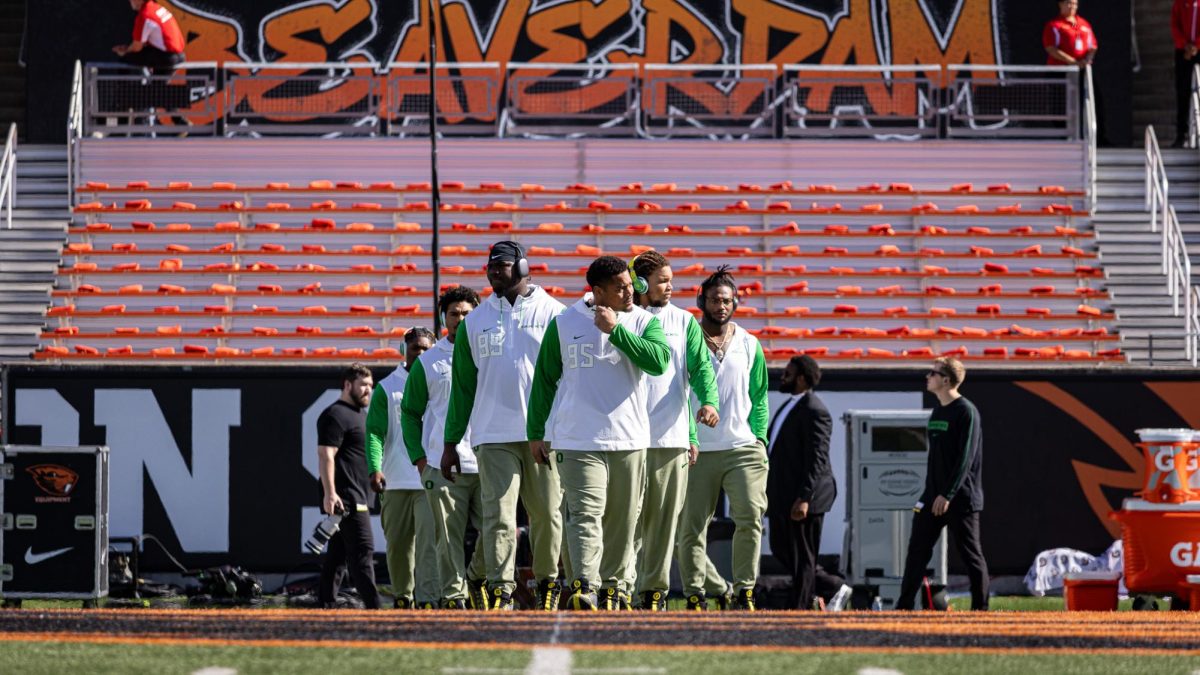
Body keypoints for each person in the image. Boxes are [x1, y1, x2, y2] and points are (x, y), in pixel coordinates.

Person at [527, 255, 671, 610]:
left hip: (630, 439)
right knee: (584, 514)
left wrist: (616, 331)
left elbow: (659, 363)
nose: (630, 291)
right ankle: (584, 586)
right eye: (620, 287)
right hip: (577, 440)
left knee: (623, 523)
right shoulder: (564, 322)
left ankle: (616, 588)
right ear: (598, 291)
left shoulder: (642, 321)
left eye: (630, 284)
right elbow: (544, 381)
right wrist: (535, 431)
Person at [444, 241, 566, 610]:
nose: (495, 270)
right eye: (491, 265)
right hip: (492, 434)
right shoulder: (475, 322)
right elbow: (462, 389)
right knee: (498, 516)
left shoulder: (554, 313)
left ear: (524, 267)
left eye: (504, 264)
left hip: (543, 434)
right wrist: (451, 443)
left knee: (547, 513)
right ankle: (501, 588)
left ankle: (547, 583)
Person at [623, 251, 720, 611]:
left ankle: (654, 593)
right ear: (640, 282)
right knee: (626, 522)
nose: (671, 286)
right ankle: (622, 588)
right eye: (663, 279)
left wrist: (708, 405)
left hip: (670, 439)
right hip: (624, 439)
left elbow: (701, 371)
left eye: (670, 279)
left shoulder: (684, 321)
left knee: (662, 526)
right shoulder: (619, 319)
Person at [677, 266, 769, 611]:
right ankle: (697, 593)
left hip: (743, 448)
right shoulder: (685, 338)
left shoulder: (749, 343)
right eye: (715, 299)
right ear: (702, 300)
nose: (721, 306)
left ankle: (745, 591)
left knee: (750, 519)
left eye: (727, 300)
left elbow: (759, 396)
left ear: (736, 304)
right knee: (690, 530)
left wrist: (760, 439)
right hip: (696, 449)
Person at [400, 287, 488, 610]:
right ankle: (454, 596)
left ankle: (477, 577)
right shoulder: (429, 361)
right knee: (447, 539)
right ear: (443, 318)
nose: (461, 319)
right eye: (454, 313)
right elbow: (409, 412)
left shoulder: (489, 352)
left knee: (497, 529)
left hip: (487, 459)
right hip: (442, 464)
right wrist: (420, 459)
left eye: (467, 313)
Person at [896, 357, 989, 611]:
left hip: (960, 498)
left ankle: (981, 610)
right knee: (916, 552)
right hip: (933, 496)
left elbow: (965, 459)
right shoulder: (938, 411)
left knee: (971, 556)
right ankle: (903, 608)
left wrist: (947, 494)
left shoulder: (966, 411)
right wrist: (931, 493)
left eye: (932, 373)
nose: (928, 377)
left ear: (946, 380)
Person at [365, 328, 437, 608]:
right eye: (415, 348)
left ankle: (428, 598)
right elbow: (374, 432)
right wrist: (375, 467)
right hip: (395, 479)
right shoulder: (387, 387)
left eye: (426, 349)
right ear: (403, 349)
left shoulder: (442, 379)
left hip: (429, 477)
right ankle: (403, 597)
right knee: (398, 545)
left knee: (429, 545)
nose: (420, 354)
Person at [765, 355, 836, 610]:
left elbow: (817, 460)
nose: (782, 376)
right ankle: (832, 587)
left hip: (805, 498)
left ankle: (802, 608)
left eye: (788, 373)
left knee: (803, 556)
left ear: (802, 378)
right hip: (784, 496)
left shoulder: (815, 410)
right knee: (782, 549)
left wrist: (805, 497)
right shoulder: (791, 404)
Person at [316, 363, 381, 609]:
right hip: (347, 498)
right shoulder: (335, 415)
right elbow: (325, 455)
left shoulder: (360, 415)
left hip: (357, 494)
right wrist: (330, 493)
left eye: (371, 386)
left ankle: (326, 603)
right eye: (363, 385)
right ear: (347, 385)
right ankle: (375, 609)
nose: (368, 390)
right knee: (363, 551)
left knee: (338, 556)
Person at [112, 0, 186, 73]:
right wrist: (128, 48)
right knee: (156, 84)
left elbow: (136, 48)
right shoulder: (157, 7)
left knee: (124, 59)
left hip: (167, 57)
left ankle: (123, 85)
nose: (129, 1)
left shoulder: (145, 15)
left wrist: (125, 52)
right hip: (179, 55)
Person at [1173, 0, 1200, 146]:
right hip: (1183, 52)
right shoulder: (1180, 3)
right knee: (1182, 91)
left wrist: (1197, 45)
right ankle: (1181, 134)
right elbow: (1175, 25)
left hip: (1198, 49)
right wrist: (1185, 45)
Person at [1042, 0, 1096, 67]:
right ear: (1061, 4)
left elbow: (1093, 46)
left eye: (1075, 4)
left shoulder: (1084, 24)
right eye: (1069, 3)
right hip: (1060, 69)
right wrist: (1073, 62)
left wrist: (1086, 60)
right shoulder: (1054, 25)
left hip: (1082, 69)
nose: (1072, 6)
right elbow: (1050, 48)